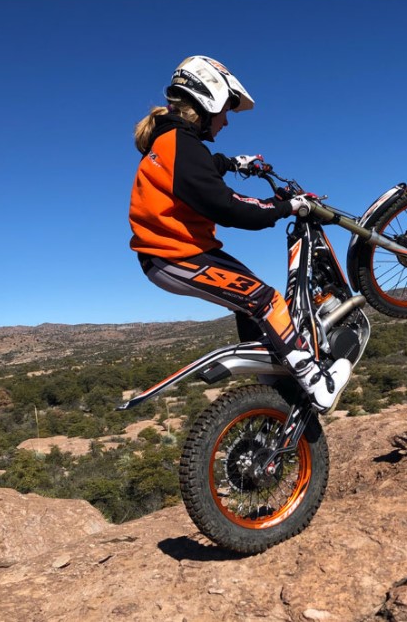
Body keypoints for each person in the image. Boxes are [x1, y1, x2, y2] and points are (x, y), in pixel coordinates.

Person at [130, 55, 351, 412]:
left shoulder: (172, 143)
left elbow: (202, 171)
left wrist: (235, 163)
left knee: (251, 308)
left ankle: (274, 383)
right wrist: (286, 207)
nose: (227, 121)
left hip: (180, 252)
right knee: (267, 301)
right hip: (176, 257)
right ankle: (315, 381)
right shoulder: (179, 147)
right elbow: (230, 207)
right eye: (227, 110)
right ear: (209, 99)